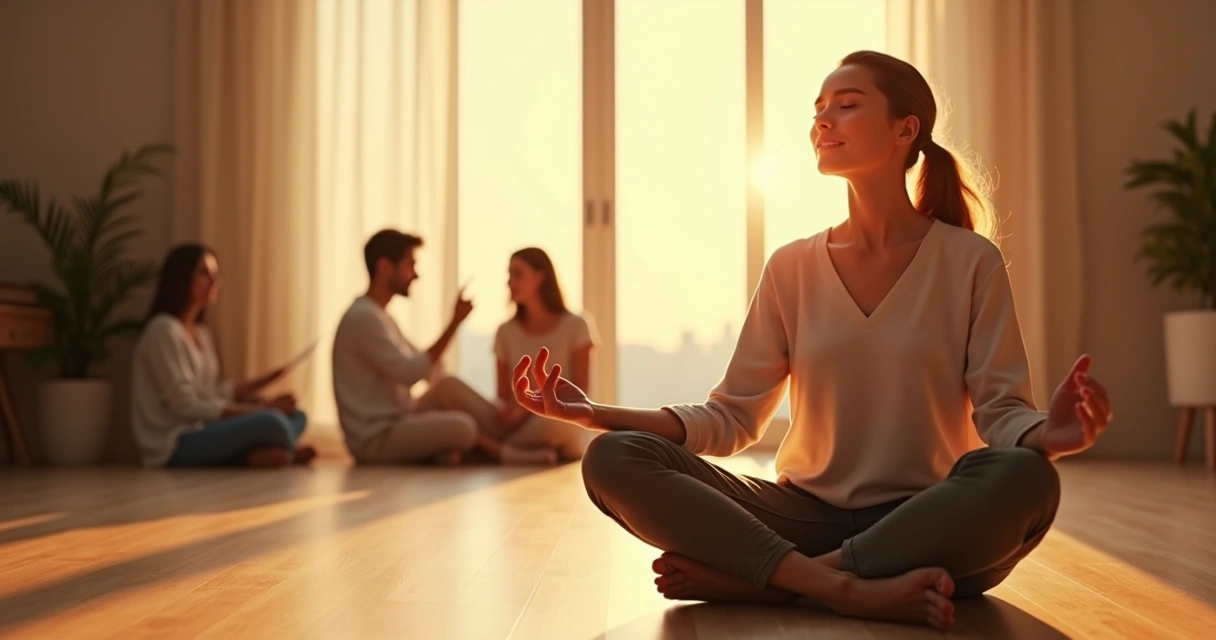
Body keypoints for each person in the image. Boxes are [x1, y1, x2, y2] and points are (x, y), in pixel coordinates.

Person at [507, 50, 1114, 631]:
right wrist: (592, 414)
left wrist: (1048, 435)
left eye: (847, 104)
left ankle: (769, 584)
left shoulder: (970, 261)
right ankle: (841, 587)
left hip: (926, 524)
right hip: (799, 518)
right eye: (818, 107)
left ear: (906, 130)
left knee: (1025, 478)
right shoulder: (791, 267)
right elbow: (731, 418)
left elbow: (1000, 411)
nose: (823, 119)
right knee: (615, 457)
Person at [331, 230, 557, 465]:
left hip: (400, 418)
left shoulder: (379, 316)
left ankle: (491, 436)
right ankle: (508, 451)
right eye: (410, 265)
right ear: (385, 267)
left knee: (448, 385)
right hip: (376, 436)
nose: (415, 275)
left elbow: (429, 369)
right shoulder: (363, 318)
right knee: (463, 427)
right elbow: (411, 373)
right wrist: (454, 323)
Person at [131, 244, 315, 468]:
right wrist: (262, 410)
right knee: (271, 420)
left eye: (215, 274)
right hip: (175, 440)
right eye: (204, 274)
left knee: (298, 415)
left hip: (203, 427)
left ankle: (258, 454)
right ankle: (278, 452)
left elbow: (209, 393)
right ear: (181, 277)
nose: (214, 281)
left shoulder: (202, 333)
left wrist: (263, 389)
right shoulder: (162, 330)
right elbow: (184, 406)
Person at [493, 247, 599, 461]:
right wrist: (511, 413)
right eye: (509, 274)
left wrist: (526, 409)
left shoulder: (577, 325)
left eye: (517, 273)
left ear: (541, 277)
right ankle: (515, 451)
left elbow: (581, 393)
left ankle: (489, 447)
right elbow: (503, 394)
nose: (509, 282)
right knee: (450, 386)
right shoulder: (505, 331)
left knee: (566, 422)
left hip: (553, 419)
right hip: (513, 425)